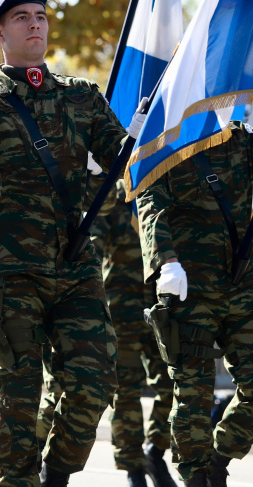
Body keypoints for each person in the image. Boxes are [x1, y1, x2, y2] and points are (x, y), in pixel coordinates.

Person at [0, 0, 128, 487]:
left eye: (41, 16)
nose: (35, 24)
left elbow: (123, 159)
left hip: (75, 265)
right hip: (10, 269)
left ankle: (57, 473)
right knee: (20, 398)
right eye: (23, 17)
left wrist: (140, 142)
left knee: (94, 383)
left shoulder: (82, 97)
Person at [133, 89, 253, 487]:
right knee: (193, 392)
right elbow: (150, 204)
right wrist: (166, 262)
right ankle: (196, 477)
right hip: (188, 285)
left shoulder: (241, 138)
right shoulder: (167, 144)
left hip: (239, 284)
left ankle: (218, 458)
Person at [92, 179, 179, 487]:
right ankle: (133, 469)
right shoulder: (114, 199)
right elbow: (92, 246)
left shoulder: (165, 193)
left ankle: (155, 451)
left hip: (161, 308)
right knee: (125, 391)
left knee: (172, 384)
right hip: (121, 309)